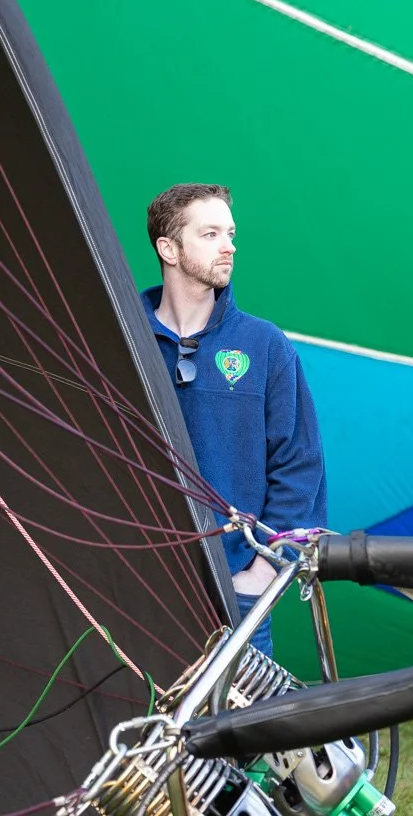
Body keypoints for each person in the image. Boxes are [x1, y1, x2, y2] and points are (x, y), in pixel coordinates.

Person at [141, 183, 327, 657]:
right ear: (169, 249)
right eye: (210, 234)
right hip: (137, 589)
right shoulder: (123, 337)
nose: (229, 246)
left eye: (230, 233)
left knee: (238, 709)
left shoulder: (265, 345)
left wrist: (262, 572)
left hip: (235, 593)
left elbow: (300, 465)